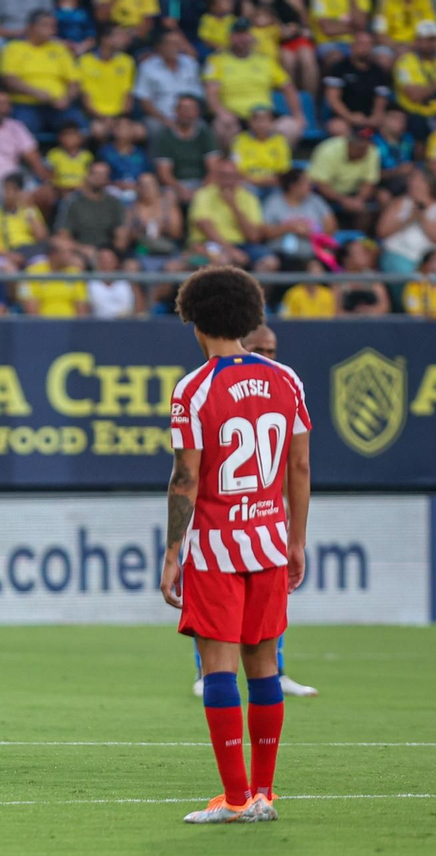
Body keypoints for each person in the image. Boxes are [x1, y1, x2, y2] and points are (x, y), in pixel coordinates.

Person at [163, 266, 311, 824]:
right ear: (250, 317)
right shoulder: (285, 379)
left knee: (218, 666)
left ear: (196, 321)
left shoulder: (193, 389)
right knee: (265, 666)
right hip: (270, 541)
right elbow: (298, 464)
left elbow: (186, 479)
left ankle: (233, 798)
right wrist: (296, 539)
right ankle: (265, 796)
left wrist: (173, 552)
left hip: (217, 548)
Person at [0, 9, 82, 137]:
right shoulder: (13, 48)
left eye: (53, 26)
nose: (52, 30)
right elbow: (9, 79)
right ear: (31, 27)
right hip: (26, 104)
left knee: (80, 126)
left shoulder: (59, 49)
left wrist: (67, 98)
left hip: (58, 105)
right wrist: (35, 92)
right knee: (22, 129)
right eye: (46, 25)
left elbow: (74, 81)